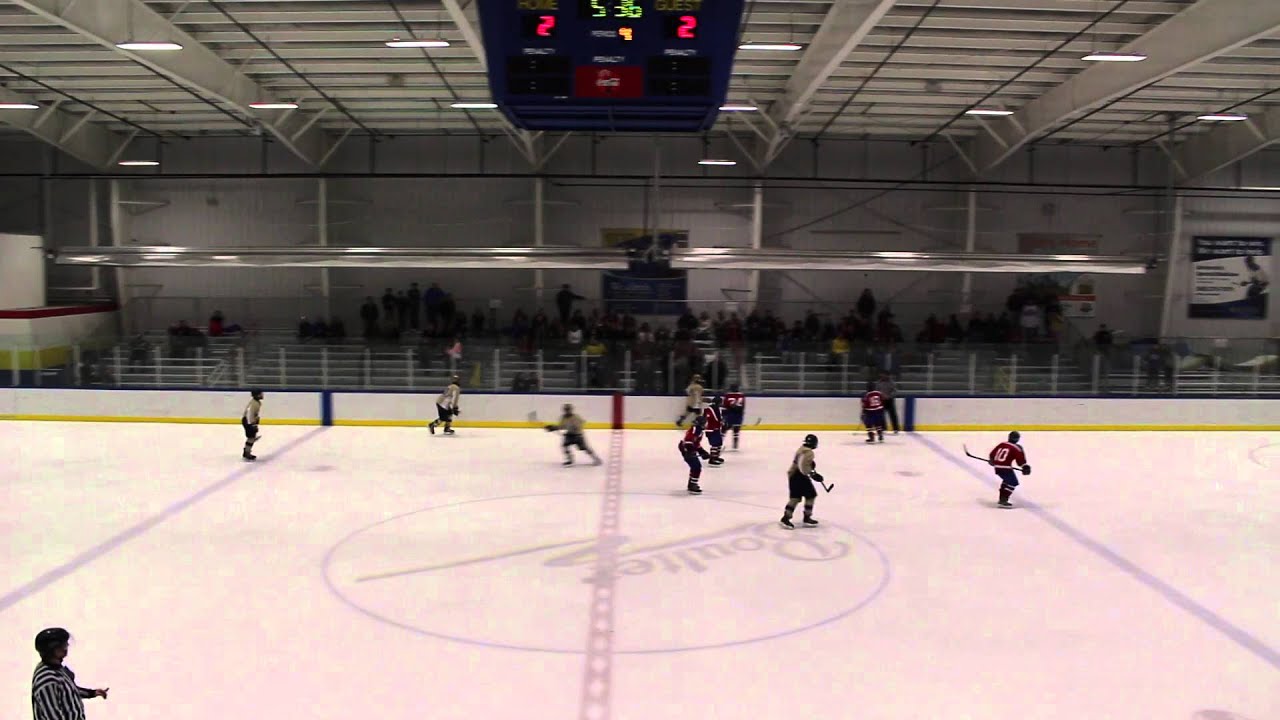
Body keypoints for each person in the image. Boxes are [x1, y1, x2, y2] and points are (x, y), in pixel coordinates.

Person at [32, 628, 108, 720]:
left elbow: (68, 690)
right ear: (52, 650)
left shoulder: (57, 668)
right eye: (63, 645)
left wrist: (92, 693)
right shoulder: (47, 680)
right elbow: (53, 715)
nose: (66, 647)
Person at [781, 434, 823, 529]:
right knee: (810, 495)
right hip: (799, 476)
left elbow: (802, 464)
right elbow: (803, 468)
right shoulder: (809, 452)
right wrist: (814, 475)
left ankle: (786, 517)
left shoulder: (802, 449)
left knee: (795, 498)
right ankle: (806, 517)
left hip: (793, 475)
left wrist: (811, 470)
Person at [989, 431, 1031, 508]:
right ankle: (1003, 500)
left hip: (997, 467)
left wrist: (991, 460)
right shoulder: (1017, 448)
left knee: (1006, 481)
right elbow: (1020, 461)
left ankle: (1002, 498)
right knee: (1013, 482)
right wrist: (1025, 466)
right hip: (1006, 468)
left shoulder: (1002, 444)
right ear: (1017, 439)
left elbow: (992, 454)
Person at [679, 414, 709, 494]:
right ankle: (692, 484)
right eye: (705, 423)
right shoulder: (695, 429)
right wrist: (689, 451)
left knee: (695, 466)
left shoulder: (699, 430)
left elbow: (695, 443)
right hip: (686, 449)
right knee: (696, 467)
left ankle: (691, 483)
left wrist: (702, 451)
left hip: (687, 449)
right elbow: (688, 441)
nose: (706, 425)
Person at [702, 395, 726, 467]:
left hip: (715, 429)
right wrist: (721, 423)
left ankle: (715, 457)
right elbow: (715, 419)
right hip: (711, 430)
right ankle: (712, 459)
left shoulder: (714, 409)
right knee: (715, 444)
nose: (721, 404)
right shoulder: (712, 409)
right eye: (720, 403)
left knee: (718, 443)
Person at [722, 383, 746, 450]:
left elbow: (725, 406)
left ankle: (719, 442)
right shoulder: (741, 395)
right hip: (738, 415)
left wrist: (723, 415)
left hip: (729, 415)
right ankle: (735, 444)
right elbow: (743, 406)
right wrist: (741, 414)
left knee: (724, 429)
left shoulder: (727, 395)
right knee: (736, 430)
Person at [242, 389, 263, 461]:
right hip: (248, 421)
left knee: (252, 437)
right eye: (260, 394)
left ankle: (247, 451)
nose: (262, 395)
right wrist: (252, 425)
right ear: (257, 395)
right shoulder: (254, 404)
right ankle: (246, 452)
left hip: (249, 421)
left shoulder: (256, 402)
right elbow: (249, 414)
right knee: (251, 438)